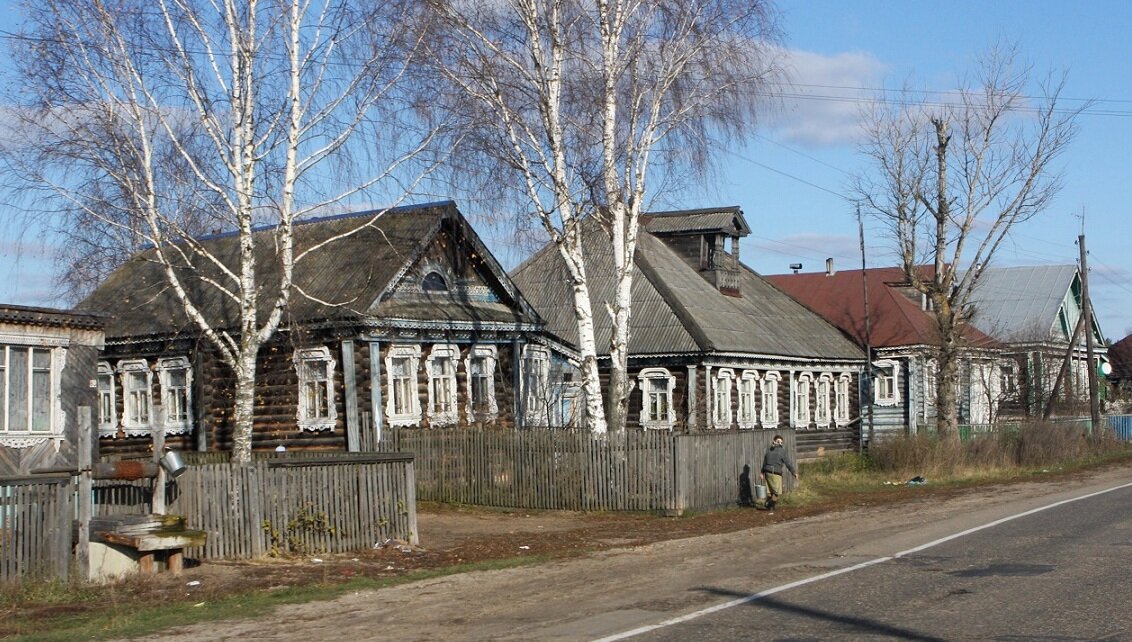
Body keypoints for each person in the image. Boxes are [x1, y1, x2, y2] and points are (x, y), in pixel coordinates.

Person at [759, 434, 798, 511]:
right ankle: (770, 505)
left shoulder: (768, 450)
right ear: (775, 441)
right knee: (777, 492)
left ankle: (770, 506)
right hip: (776, 473)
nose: (780, 443)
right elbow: (788, 463)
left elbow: (764, 462)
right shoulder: (782, 451)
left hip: (767, 473)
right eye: (779, 441)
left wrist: (762, 473)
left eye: (781, 442)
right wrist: (793, 472)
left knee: (770, 491)